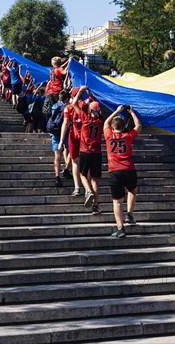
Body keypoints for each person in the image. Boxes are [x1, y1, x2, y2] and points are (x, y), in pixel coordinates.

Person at [104, 105, 142, 238]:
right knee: (132, 190)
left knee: (117, 201)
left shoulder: (109, 135)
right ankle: (130, 214)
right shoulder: (128, 136)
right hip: (129, 168)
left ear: (113, 127)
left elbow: (106, 123)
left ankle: (120, 228)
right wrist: (131, 112)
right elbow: (138, 125)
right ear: (124, 126)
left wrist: (117, 111)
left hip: (114, 171)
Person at [72, 85, 104, 215]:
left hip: (85, 150)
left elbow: (74, 103)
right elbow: (97, 108)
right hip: (97, 152)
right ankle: (96, 206)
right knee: (95, 179)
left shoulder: (85, 118)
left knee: (83, 174)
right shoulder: (101, 121)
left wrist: (81, 91)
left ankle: (88, 190)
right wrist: (92, 95)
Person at [59, 87, 85, 196]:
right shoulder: (86, 106)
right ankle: (88, 187)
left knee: (75, 162)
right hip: (85, 138)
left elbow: (65, 124)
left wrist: (61, 141)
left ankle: (77, 187)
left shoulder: (68, 107)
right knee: (85, 163)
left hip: (74, 136)